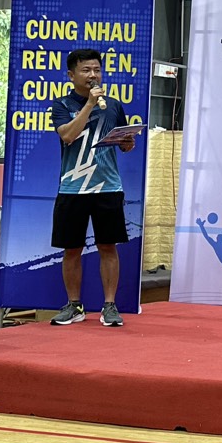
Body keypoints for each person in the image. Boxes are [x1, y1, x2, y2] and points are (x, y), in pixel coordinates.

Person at [49, 48, 136, 326]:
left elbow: (122, 143)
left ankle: (109, 306)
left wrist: (127, 143)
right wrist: (89, 104)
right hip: (73, 188)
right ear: (71, 74)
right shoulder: (61, 105)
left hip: (107, 187)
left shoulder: (113, 106)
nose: (93, 75)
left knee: (108, 246)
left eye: (97, 70)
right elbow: (68, 136)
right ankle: (74, 305)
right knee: (71, 248)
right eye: (86, 70)